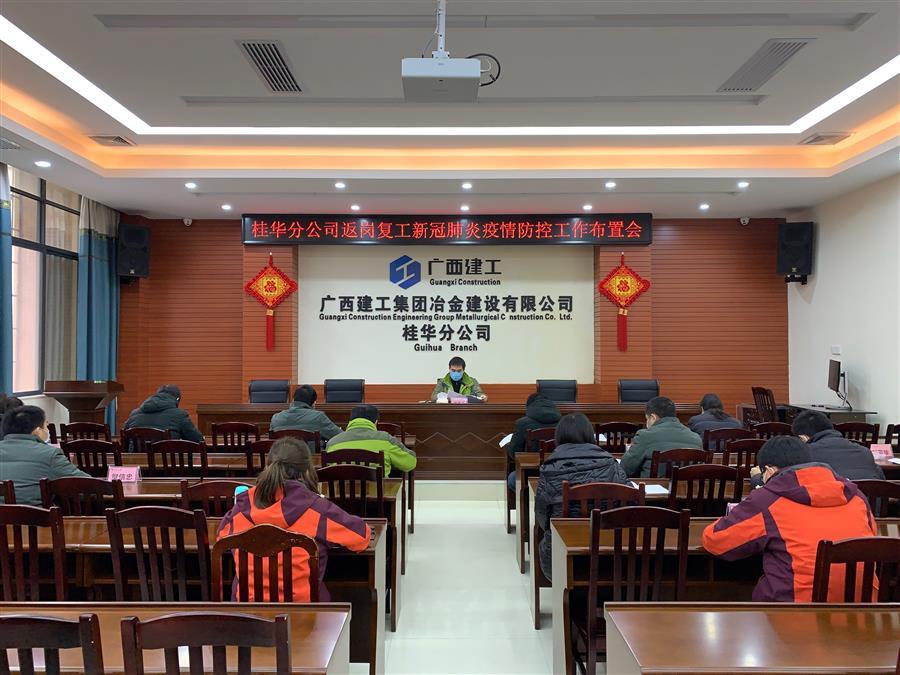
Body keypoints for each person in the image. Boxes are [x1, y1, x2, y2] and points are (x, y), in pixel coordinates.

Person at [702, 436, 877, 602]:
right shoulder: (856, 496)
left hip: (795, 611)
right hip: (865, 609)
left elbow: (716, 540)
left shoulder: (768, 499)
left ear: (769, 471)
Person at [217, 437, 371, 602]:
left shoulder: (242, 507)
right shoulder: (316, 509)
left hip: (246, 610)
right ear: (306, 471)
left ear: (268, 466)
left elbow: (220, 538)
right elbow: (361, 538)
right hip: (304, 610)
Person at [534, 413, 628, 578]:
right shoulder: (613, 465)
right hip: (613, 557)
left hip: (562, 556)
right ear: (590, 435)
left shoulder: (550, 469)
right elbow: (630, 505)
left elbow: (542, 517)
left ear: (559, 437)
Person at [0, 405, 88, 505]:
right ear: (37, 431)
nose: (48, 430)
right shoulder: (50, 454)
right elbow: (87, 485)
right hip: (34, 514)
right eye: (46, 426)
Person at [620, 396, 702, 478]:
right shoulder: (696, 438)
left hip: (651, 486)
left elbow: (625, 468)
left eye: (647, 419)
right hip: (685, 486)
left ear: (653, 417)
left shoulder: (645, 436)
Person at [792, 409, 885, 480]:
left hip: (831, 500)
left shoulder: (806, 454)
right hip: (866, 500)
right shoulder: (865, 452)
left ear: (803, 438)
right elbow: (881, 481)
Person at [325, 404, 417, 476]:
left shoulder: (333, 443)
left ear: (350, 422)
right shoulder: (385, 439)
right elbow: (410, 463)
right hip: (377, 493)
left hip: (340, 494)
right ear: (376, 422)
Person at [505, 393, 562, 489]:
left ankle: (527, 498)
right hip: (559, 473)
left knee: (512, 479)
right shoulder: (563, 422)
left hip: (530, 473)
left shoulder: (522, 423)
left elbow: (514, 453)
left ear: (529, 406)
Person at [123, 384, 203, 442]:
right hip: (167, 460)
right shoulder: (180, 415)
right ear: (177, 399)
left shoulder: (134, 413)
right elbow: (198, 440)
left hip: (135, 459)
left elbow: (124, 437)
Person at [270, 385, 342, 441]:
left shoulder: (276, 418)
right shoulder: (318, 417)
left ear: (293, 400)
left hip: (281, 456)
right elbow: (340, 436)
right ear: (313, 404)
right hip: (310, 456)